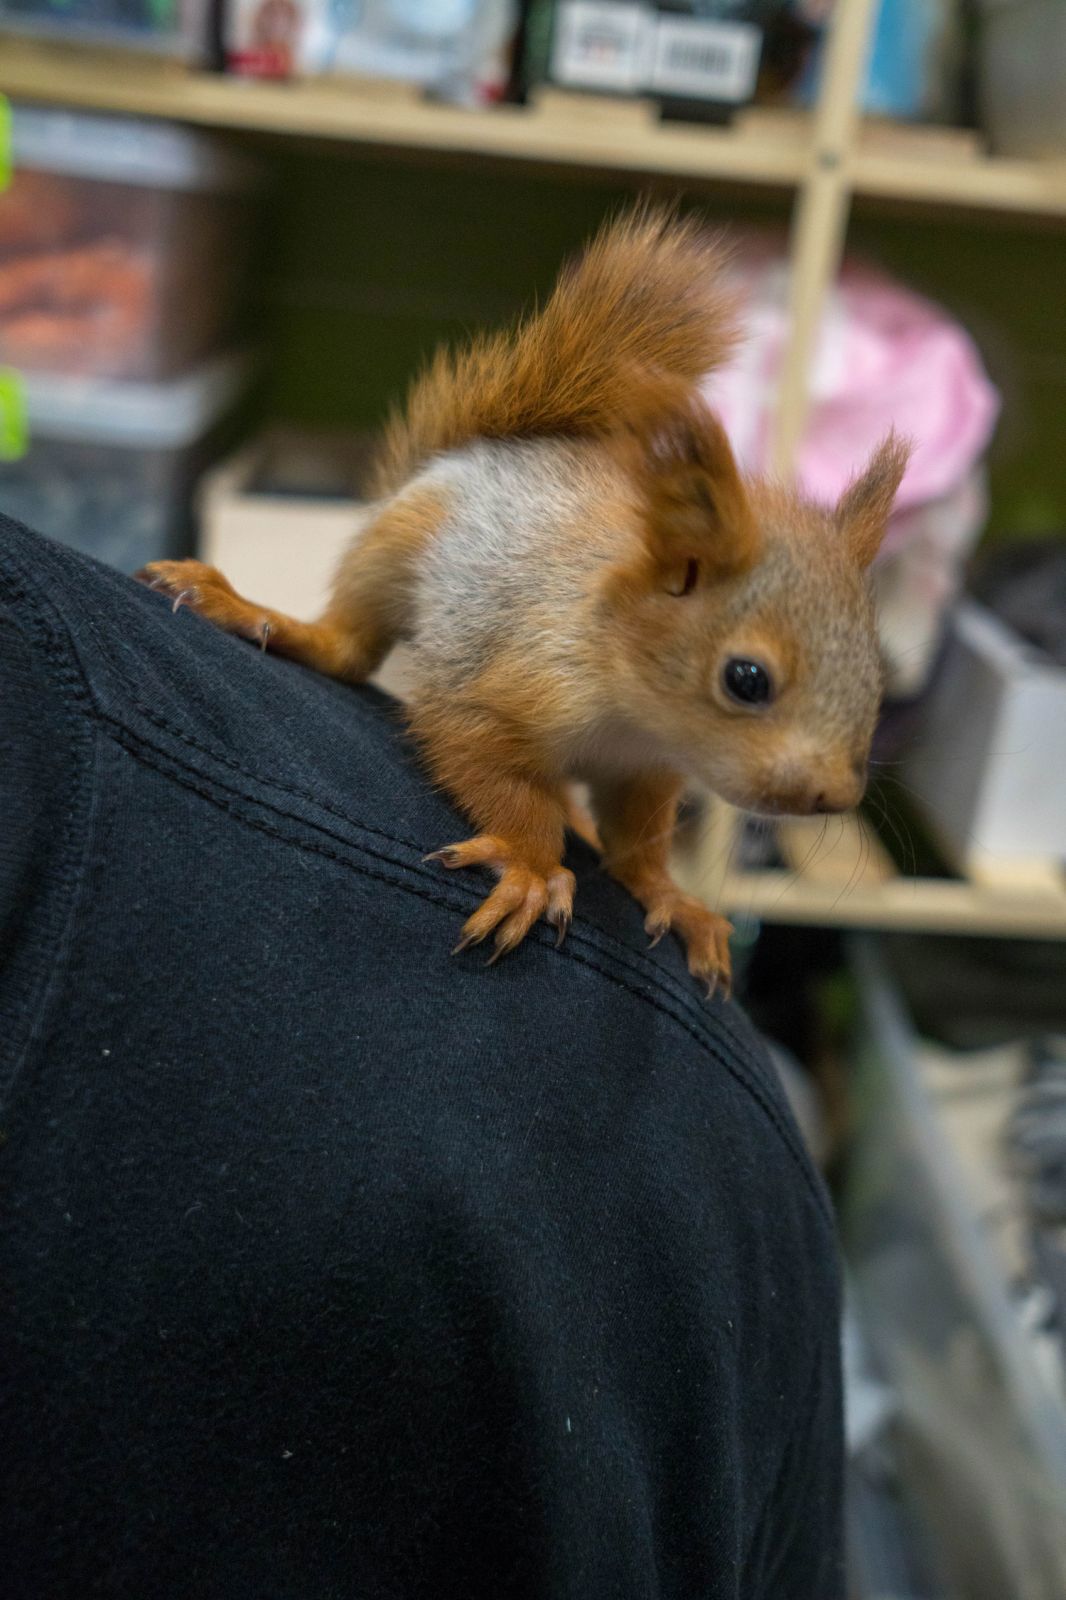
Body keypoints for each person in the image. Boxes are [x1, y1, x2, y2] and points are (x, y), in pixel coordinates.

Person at [1, 516, 844, 1598]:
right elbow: (476, 715)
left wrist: (652, 880)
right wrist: (531, 850)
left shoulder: (688, 1131)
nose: (816, 784)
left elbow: (640, 783)